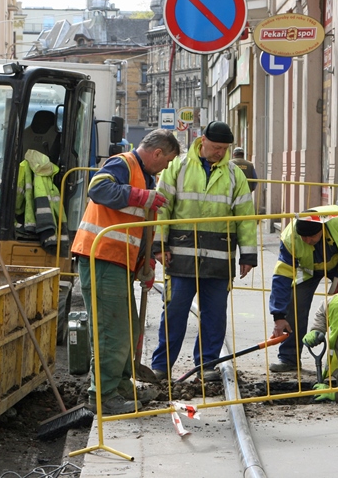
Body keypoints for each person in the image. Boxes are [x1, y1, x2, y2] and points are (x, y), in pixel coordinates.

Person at [71, 129, 180, 415]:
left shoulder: (146, 176)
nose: (167, 167)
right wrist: (141, 196)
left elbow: (137, 227)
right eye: (167, 160)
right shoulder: (123, 164)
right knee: (112, 332)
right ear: (157, 153)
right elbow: (98, 189)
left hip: (118, 261)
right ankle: (104, 396)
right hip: (101, 256)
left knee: (127, 328)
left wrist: (145, 263)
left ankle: (119, 386)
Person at [150, 121, 258, 382]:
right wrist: (159, 245)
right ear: (203, 140)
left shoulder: (235, 175)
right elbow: (162, 208)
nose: (220, 152)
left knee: (214, 315)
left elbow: (245, 216)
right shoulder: (178, 167)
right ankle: (161, 366)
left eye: (224, 149)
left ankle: (206, 365)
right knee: (174, 312)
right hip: (181, 256)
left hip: (219, 260)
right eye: (216, 147)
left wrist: (249, 255)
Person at [269, 205, 338, 371]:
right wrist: (278, 315)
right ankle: (289, 358)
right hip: (307, 270)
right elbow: (282, 276)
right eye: (304, 237)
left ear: (322, 227)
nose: (308, 241)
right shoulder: (290, 238)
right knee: (294, 305)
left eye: (312, 237)